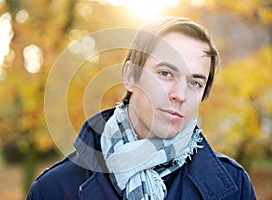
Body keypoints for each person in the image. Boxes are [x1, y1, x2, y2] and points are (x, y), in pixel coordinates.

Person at [27, 16, 256, 199]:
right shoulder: (54, 189)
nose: (179, 95)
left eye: (194, 83)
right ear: (130, 76)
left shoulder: (234, 187)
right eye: (165, 74)